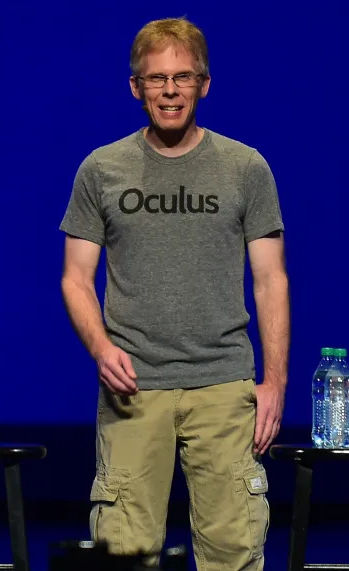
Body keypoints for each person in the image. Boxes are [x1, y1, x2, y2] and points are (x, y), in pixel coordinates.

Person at [59, 16, 289, 571]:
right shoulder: (102, 169)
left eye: (183, 77)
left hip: (223, 386)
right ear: (135, 87)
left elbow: (270, 279)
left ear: (204, 85)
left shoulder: (244, 167)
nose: (170, 90)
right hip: (134, 389)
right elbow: (74, 278)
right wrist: (101, 349)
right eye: (156, 78)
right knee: (126, 555)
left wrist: (275, 382)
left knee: (233, 553)